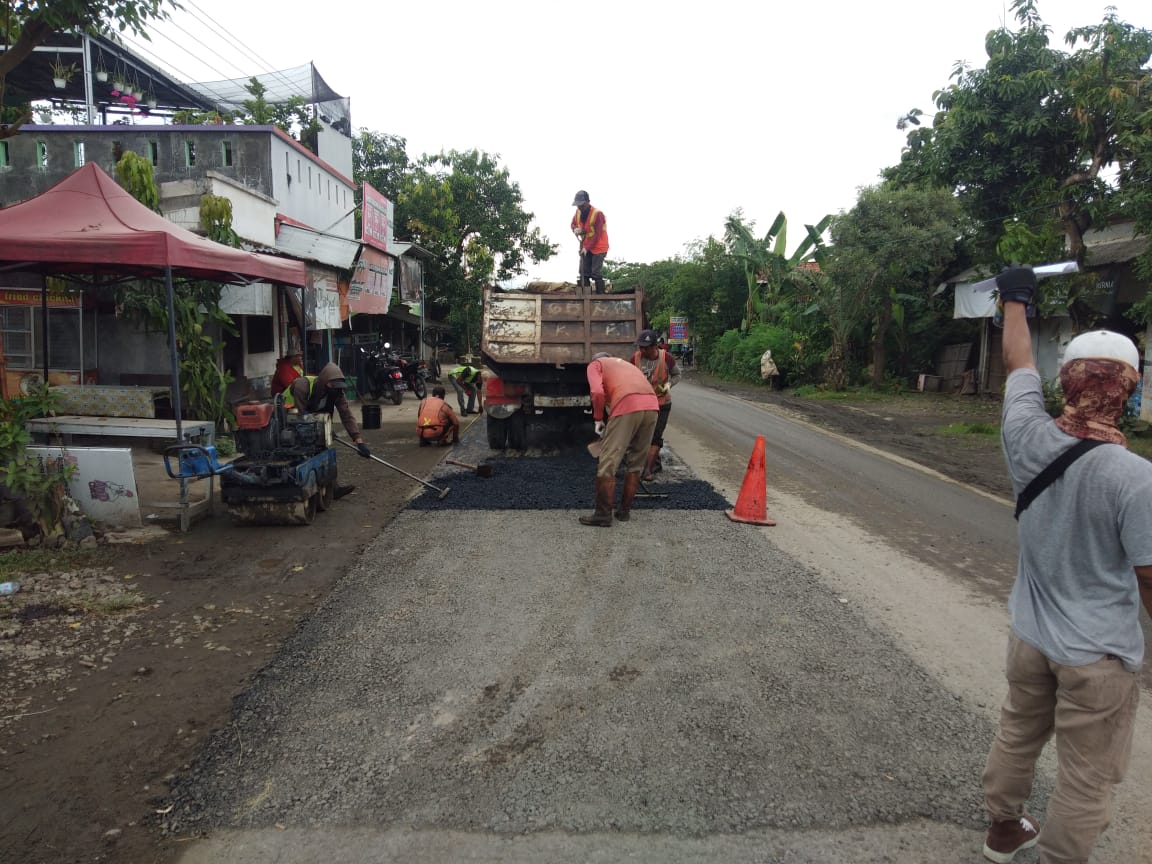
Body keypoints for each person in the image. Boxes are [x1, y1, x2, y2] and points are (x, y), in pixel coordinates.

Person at [980, 265, 1152, 864]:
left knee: (1018, 732)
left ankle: (1002, 830)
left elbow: (1018, 365)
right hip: (1098, 655)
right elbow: (1149, 576)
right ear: (1127, 391)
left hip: (1030, 636)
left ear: (1068, 379)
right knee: (1088, 774)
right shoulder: (1136, 479)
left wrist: (1017, 300)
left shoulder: (1025, 434)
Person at [581, 353, 659, 527]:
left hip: (628, 404)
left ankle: (603, 515)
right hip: (652, 406)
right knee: (636, 461)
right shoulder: (625, 365)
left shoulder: (595, 365)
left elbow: (597, 392)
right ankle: (624, 512)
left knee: (608, 461)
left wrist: (598, 418)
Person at [283, 362, 371, 497]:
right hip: (287, 419)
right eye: (333, 386)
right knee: (300, 453)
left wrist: (359, 441)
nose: (336, 389)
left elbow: (346, 416)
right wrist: (321, 428)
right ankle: (295, 487)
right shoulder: (303, 386)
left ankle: (332, 488)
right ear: (324, 382)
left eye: (339, 387)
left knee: (324, 452)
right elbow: (300, 417)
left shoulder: (337, 393)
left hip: (310, 421)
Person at [630, 329, 681, 482]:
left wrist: (667, 386)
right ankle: (650, 464)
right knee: (640, 436)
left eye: (644, 347)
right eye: (640, 347)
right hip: (642, 404)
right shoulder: (635, 358)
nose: (642, 350)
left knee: (655, 437)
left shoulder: (667, 358)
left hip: (661, 403)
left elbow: (677, 374)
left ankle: (647, 470)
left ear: (654, 346)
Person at [571, 190, 609, 294]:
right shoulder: (578, 212)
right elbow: (573, 224)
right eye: (578, 205)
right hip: (586, 245)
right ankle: (585, 295)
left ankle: (600, 295)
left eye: (582, 205)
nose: (580, 208)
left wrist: (586, 248)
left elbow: (597, 235)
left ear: (588, 202)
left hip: (599, 246)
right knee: (583, 272)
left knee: (595, 272)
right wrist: (575, 229)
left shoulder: (598, 214)